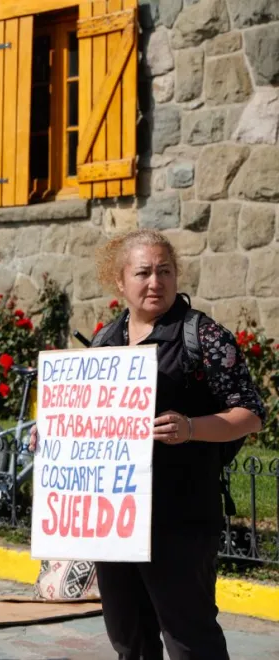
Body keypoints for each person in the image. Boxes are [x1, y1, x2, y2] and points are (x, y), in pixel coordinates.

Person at [31, 229, 264, 660]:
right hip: (116, 521)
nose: (155, 282)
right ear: (120, 281)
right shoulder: (106, 340)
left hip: (181, 517)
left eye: (165, 271)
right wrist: (54, 432)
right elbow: (90, 420)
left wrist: (190, 428)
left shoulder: (203, 336)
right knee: (130, 639)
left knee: (189, 639)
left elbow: (249, 413)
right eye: (143, 273)